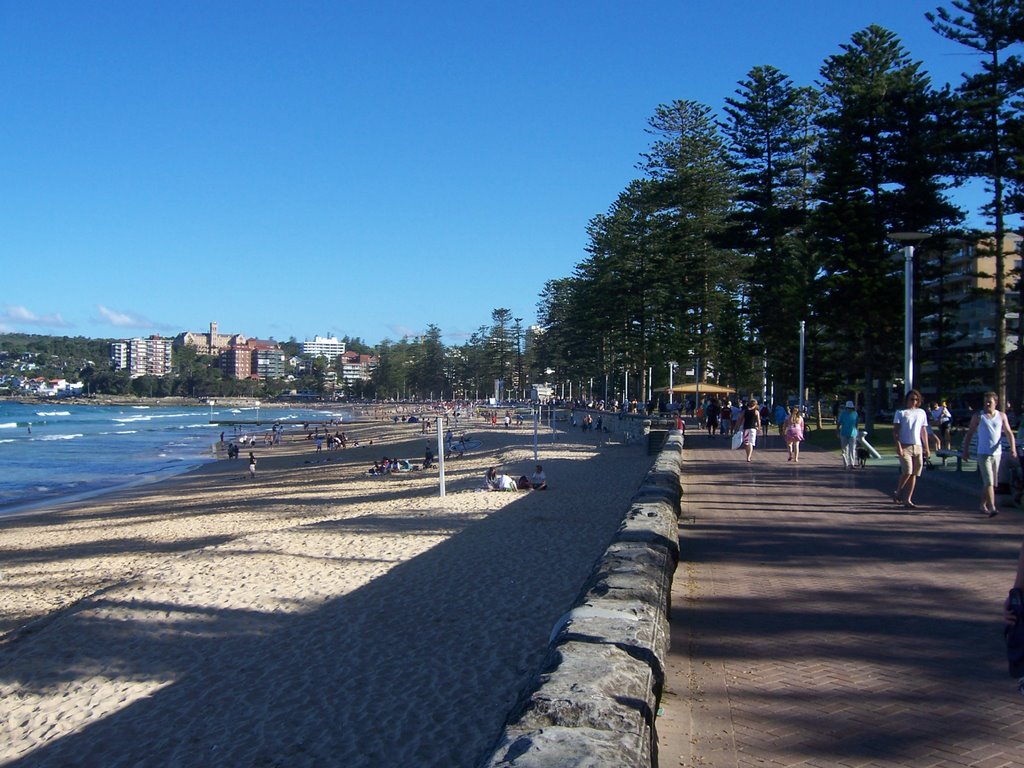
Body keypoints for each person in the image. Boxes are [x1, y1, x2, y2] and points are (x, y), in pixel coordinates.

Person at [961, 391, 1016, 518]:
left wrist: (1013, 448)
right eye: (985, 402)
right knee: (989, 480)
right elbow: (969, 433)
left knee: (991, 482)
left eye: (989, 402)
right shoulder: (979, 416)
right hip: (983, 453)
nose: (987, 404)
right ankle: (992, 507)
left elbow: (1008, 432)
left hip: (996, 453)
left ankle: (982, 505)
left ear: (995, 403)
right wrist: (965, 450)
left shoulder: (1001, 416)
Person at [893, 389, 930, 510]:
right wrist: (898, 445)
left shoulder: (921, 412)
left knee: (914, 473)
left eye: (916, 399)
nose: (913, 402)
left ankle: (908, 499)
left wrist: (926, 447)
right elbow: (896, 431)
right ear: (907, 400)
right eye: (911, 399)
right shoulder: (901, 412)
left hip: (917, 446)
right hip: (905, 445)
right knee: (907, 470)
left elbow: (923, 431)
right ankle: (898, 491)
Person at [837, 400, 859, 469]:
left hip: (853, 433)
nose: (849, 409)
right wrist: (837, 431)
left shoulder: (855, 414)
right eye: (848, 408)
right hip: (844, 433)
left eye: (850, 408)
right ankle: (845, 464)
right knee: (844, 449)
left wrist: (857, 432)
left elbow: (856, 424)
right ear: (846, 408)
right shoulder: (843, 414)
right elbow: (839, 423)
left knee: (852, 449)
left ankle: (852, 464)